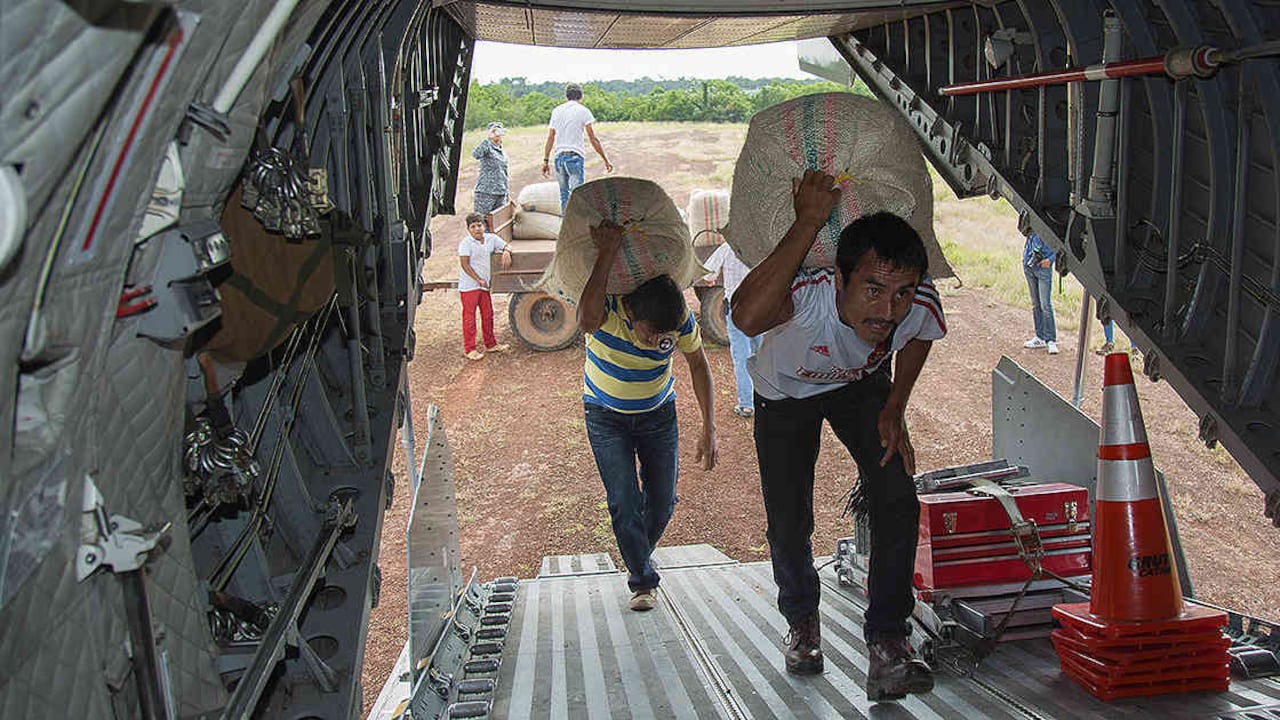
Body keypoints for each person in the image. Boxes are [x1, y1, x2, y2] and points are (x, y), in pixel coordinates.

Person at [732, 170, 943, 702]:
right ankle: (802, 622)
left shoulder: (914, 302)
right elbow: (746, 316)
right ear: (839, 279)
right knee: (789, 518)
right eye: (872, 289)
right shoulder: (808, 297)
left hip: (859, 386)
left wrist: (896, 405)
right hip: (783, 394)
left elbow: (921, 333)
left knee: (896, 494)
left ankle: (888, 643)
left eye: (900, 293)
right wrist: (808, 221)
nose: (887, 310)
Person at [578, 221, 717, 612]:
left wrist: (709, 426)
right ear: (629, 312)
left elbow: (698, 364)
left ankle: (636, 552)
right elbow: (584, 321)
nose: (657, 342)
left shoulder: (677, 319)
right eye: (649, 334)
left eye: (662, 337)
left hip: (658, 416)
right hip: (605, 417)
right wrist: (607, 251)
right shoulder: (607, 309)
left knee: (662, 502)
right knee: (624, 502)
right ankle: (642, 581)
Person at [701, 241, 761, 418]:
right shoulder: (759, 246)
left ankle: (747, 404)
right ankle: (768, 399)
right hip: (760, 308)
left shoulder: (727, 248)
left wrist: (714, 278)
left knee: (742, 357)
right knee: (763, 354)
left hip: (736, 309)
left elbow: (708, 275)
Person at [542, 83, 613, 211]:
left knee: (564, 196)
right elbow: (593, 138)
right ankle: (577, 223)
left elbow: (551, 137)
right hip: (574, 157)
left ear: (566, 96)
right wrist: (605, 159)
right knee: (578, 196)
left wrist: (546, 160)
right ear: (581, 96)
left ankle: (566, 223)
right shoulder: (583, 111)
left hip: (559, 158)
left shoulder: (556, 111)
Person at [458, 213, 512, 360]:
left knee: (488, 314)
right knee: (469, 317)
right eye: (473, 226)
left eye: (479, 225)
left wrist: (506, 251)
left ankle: (491, 344)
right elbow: (465, 265)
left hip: (484, 285)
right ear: (468, 229)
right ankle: (470, 349)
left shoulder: (491, 239)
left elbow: (506, 245)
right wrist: (478, 279)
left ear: (484, 226)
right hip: (470, 286)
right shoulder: (466, 243)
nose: (477, 229)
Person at [1022, 229, 1059, 355]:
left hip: (1044, 267)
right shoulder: (1033, 223)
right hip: (1029, 265)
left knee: (1045, 305)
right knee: (1036, 304)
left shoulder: (1051, 224)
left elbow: (1061, 246)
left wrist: (1051, 259)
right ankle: (1039, 337)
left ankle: (1051, 340)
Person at [472, 121, 509, 216]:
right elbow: (476, 154)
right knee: (481, 220)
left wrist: (507, 193)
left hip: (500, 192)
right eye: (494, 131)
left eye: (499, 131)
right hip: (486, 192)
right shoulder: (487, 146)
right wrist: (488, 138)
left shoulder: (501, 150)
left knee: (497, 221)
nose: (497, 134)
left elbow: (504, 173)